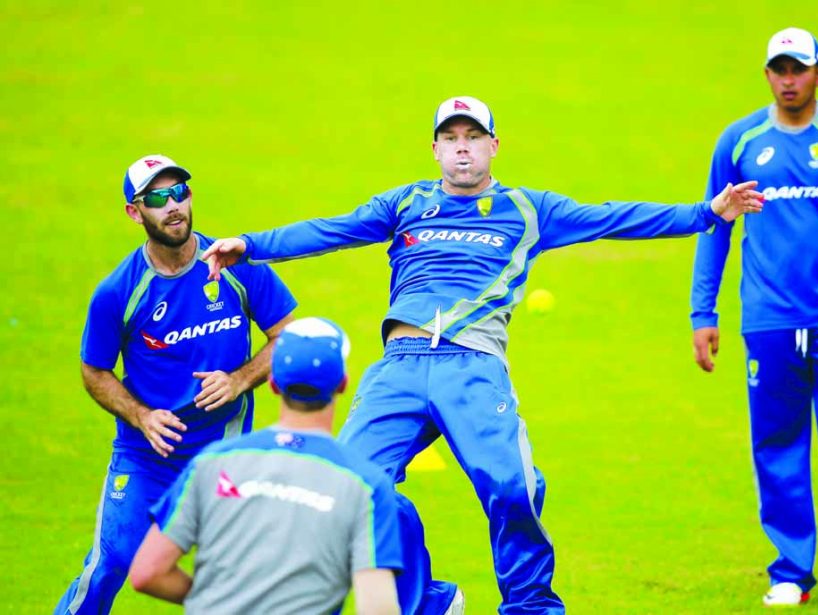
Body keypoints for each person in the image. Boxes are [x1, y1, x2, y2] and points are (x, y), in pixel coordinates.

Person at [202, 96, 764, 614]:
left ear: (495, 144)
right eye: (451, 137)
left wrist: (706, 213)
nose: (463, 146)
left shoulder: (528, 208)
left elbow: (612, 217)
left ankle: (530, 606)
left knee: (512, 487)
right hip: (398, 367)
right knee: (349, 487)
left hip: (472, 367)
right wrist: (251, 245)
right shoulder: (405, 203)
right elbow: (332, 230)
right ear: (436, 149)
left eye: (474, 135)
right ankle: (429, 600)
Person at [690, 27, 818, 607]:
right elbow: (715, 228)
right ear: (767, 74)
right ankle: (790, 571)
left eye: (798, 69)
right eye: (778, 69)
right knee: (777, 446)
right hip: (768, 323)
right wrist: (702, 311)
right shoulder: (739, 142)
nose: (788, 80)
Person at [54, 155, 297, 614]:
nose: (174, 206)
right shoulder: (118, 293)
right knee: (111, 563)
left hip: (221, 450)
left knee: (240, 572)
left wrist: (240, 380)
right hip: (147, 454)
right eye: (158, 198)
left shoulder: (235, 265)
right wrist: (142, 417)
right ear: (135, 211)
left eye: (180, 192)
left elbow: (288, 335)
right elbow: (95, 370)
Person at [129, 317, 402, 614]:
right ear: (342, 384)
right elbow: (378, 607)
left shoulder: (211, 463)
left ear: (273, 384)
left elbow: (148, 572)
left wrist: (222, 600)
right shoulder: (366, 484)